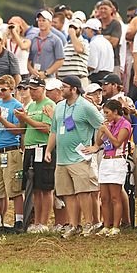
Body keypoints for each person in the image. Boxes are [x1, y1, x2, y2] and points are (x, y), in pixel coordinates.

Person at [45, 75, 104, 237]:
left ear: (74, 89)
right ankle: (74, 225)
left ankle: (89, 224)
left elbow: (103, 126)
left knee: (83, 192)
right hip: (62, 158)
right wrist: (49, 150)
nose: (61, 89)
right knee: (68, 193)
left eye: (64, 86)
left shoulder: (86, 107)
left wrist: (96, 146)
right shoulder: (59, 106)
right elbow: (54, 130)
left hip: (79, 158)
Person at [0, 74, 25, 232]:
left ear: (12, 89)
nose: (0, 92)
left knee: (14, 189)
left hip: (11, 150)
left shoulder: (17, 106)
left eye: (4, 90)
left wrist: (0, 119)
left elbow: (18, 130)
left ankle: (19, 220)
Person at [17, 76, 56, 231]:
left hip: (43, 146)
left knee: (45, 187)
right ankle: (36, 220)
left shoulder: (49, 104)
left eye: (35, 89)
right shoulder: (31, 106)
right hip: (31, 148)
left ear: (43, 88)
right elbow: (23, 129)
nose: (32, 92)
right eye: (30, 89)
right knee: (34, 188)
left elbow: (47, 128)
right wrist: (21, 118)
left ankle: (44, 222)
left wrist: (27, 118)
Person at [90, 99, 132, 235]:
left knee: (115, 196)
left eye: (107, 113)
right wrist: (101, 130)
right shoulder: (110, 124)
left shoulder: (125, 125)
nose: (106, 115)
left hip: (117, 161)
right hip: (106, 160)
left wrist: (107, 132)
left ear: (115, 112)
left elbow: (117, 143)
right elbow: (98, 142)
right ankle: (106, 225)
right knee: (105, 197)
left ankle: (116, 225)